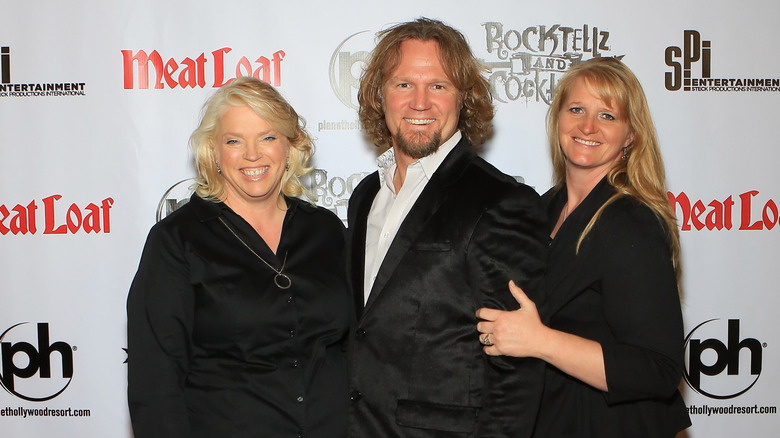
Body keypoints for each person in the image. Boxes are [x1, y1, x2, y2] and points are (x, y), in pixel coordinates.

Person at [347, 18, 548, 437]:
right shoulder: (367, 195)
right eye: (403, 84)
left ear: (464, 99)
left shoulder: (501, 201)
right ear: (379, 96)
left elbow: (516, 370)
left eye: (438, 85)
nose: (420, 102)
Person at [476, 57, 692, 437]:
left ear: (630, 135)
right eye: (576, 109)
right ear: (558, 119)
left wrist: (541, 340)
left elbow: (659, 369)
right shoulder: (542, 209)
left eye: (607, 115)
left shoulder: (632, 223)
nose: (588, 126)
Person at [127, 77, 351, 438]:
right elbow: (155, 385)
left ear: (290, 147)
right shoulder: (177, 241)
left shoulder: (326, 231)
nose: (252, 154)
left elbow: (358, 346)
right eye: (234, 141)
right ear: (213, 153)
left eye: (267, 137)